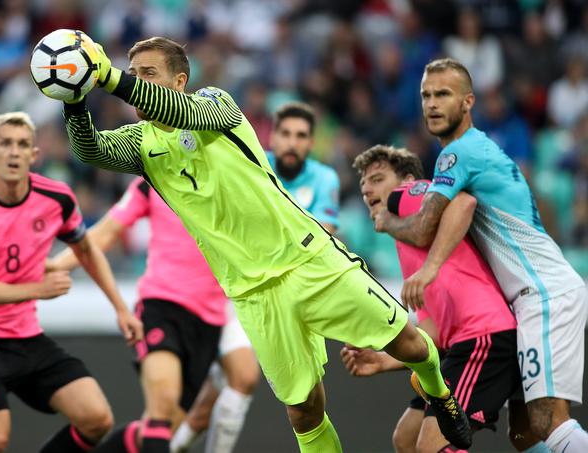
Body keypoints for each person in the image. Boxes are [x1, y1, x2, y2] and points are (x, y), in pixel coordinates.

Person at [56, 36, 473, 452]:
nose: (136, 83)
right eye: (132, 75)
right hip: (253, 293)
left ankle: (438, 390)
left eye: (148, 74)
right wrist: (73, 97)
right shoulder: (140, 142)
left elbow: (180, 110)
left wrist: (108, 78)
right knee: (304, 410)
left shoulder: (215, 104)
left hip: (307, 259)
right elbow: (88, 150)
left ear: (180, 80)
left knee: (407, 343)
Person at [374, 58, 588, 453]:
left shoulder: (459, 154)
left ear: (468, 101)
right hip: (527, 300)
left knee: (548, 422)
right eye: (425, 95)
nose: (432, 104)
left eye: (443, 94)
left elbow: (426, 226)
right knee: (525, 434)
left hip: (543, 295)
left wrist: (388, 224)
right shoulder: (478, 150)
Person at [0, 111, 143, 453]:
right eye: (5, 144)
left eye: (22, 144)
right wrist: (37, 289)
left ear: (34, 155)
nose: (13, 152)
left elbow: (86, 250)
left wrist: (121, 308)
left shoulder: (57, 199)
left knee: (97, 418)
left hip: (25, 334)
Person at [345, 144, 544, 452]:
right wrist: (383, 360)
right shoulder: (404, 237)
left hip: (484, 336)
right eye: (363, 185)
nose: (367, 189)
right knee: (407, 439)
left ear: (406, 179)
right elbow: (433, 332)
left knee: (434, 446)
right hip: (465, 343)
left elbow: (462, 203)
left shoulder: (408, 194)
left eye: (377, 179)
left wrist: (430, 266)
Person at [171, 101, 340, 453]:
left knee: (220, 398)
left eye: (301, 136)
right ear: (271, 138)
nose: (292, 142)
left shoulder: (324, 179)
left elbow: (325, 231)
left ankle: (172, 448)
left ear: (311, 143)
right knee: (245, 379)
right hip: (249, 287)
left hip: (298, 287)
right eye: (286, 134)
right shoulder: (247, 158)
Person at [48, 172, 242, 452]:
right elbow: (105, 232)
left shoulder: (230, 181)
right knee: (162, 407)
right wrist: (56, 266)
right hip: (161, 307)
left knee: (159, 429)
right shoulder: (153, 180)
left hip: (209, 320)